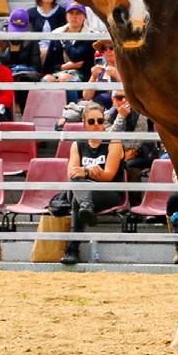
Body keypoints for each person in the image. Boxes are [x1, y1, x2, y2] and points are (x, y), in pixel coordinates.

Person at [51, 103, 126, 264]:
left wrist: (85, 171)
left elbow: (108, 176)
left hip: (109, 192)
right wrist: (90, 171)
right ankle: (86, 206)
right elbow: (72, 173)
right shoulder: (78, 144)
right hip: (83, 191)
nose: (96, 125)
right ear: (84, 124)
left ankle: (73, 249)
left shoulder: (114, 142)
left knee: (77, 198)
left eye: (100, 121)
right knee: (78, 188)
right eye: (91, 122)